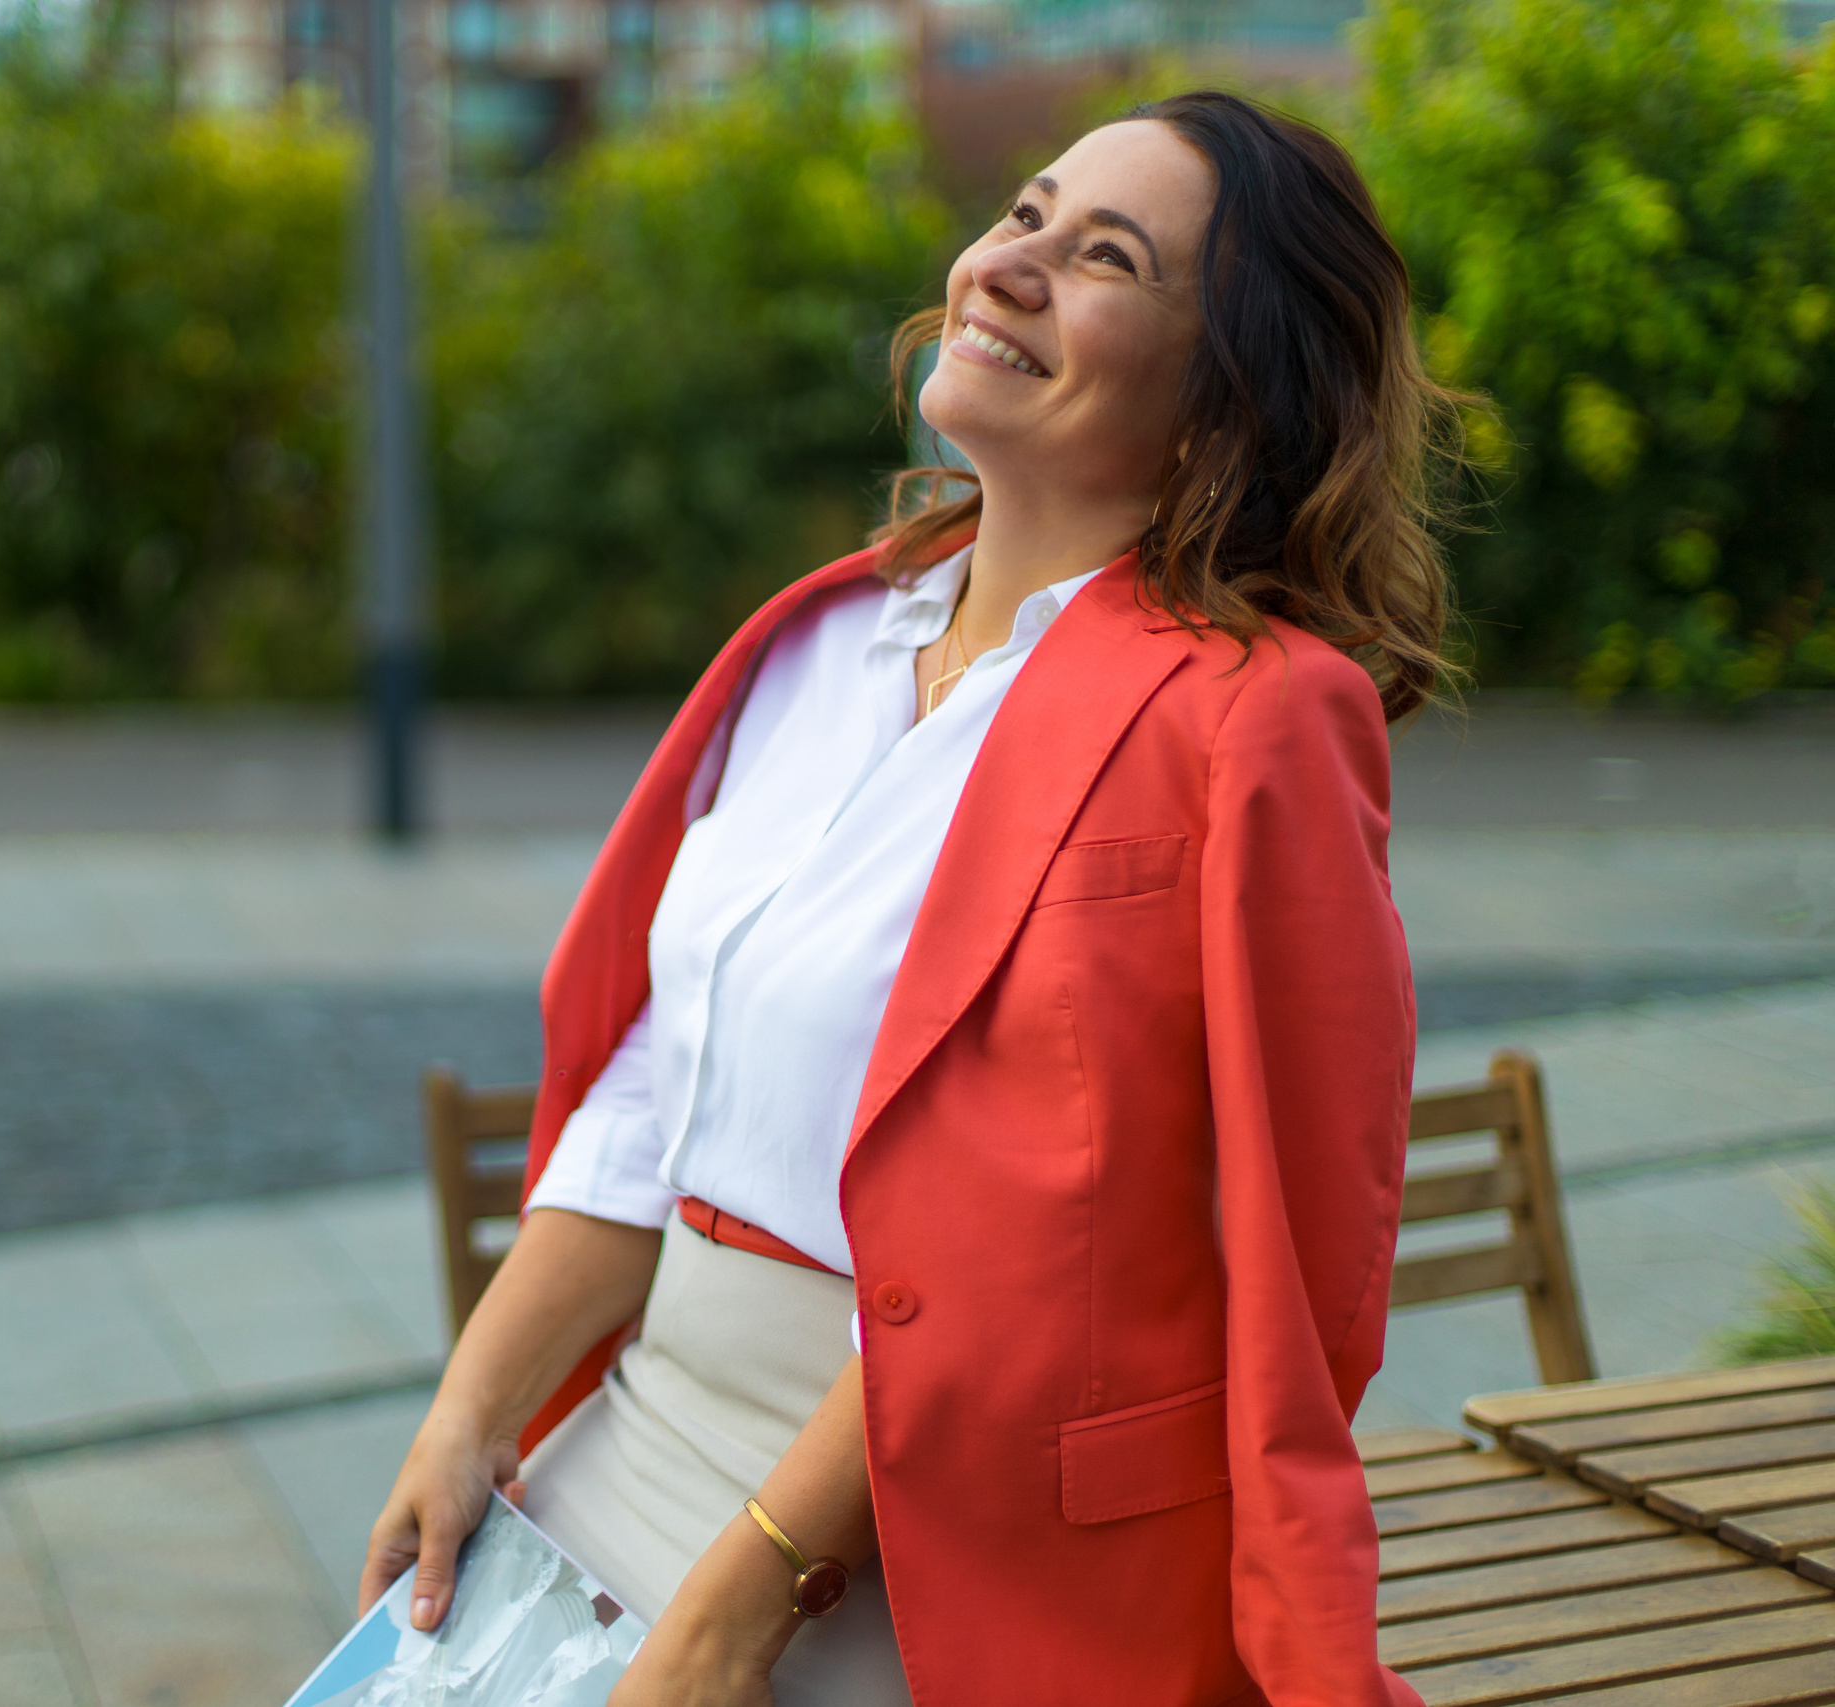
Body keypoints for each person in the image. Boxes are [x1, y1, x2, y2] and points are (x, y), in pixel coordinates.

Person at [362, 88, 1462, 1706]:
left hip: (942, 1540)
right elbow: (661, 1082)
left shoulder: (1254, 717)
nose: (1009, 265)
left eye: (1107, 258)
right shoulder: (820, 642)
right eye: (1025, 215)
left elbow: (1086, 1241)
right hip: (636, 1428)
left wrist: (741, 1604)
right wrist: (470, 1411)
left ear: (1225, 400)